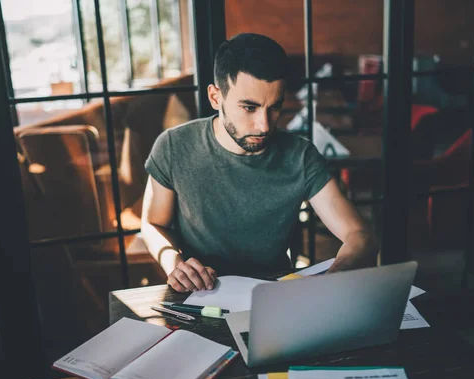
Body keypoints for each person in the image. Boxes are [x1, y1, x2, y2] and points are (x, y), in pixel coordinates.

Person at [141, 33, 378, 293]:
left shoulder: (300, 156)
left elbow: (359, 235)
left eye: (274, 107)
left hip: (274, 294)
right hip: (199, 295)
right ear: (215, 97)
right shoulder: (174, 147)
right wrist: (174, 263)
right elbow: (153, 223)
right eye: (249, 108)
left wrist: (335, 278)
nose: (264, 126)